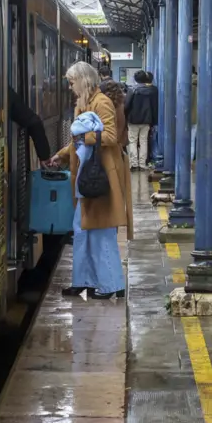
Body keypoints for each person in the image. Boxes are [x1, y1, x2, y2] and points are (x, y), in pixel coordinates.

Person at [47, 61, 128, 299]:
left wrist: (85, 135)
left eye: (72, 82)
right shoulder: (83, 103)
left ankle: (112, 284)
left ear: (83, 80)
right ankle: (84, 280)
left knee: (100, 232)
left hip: (100, 176)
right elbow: (75, 142)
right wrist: (61, 156)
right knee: (82, 230)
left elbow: (111, 136)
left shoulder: (101, 102)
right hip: (87, 176)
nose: (70, 87)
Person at [100, 80, 134, 241]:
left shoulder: (105, 108)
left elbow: (109, 136)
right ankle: (112, 230)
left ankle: (106, 230)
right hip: (119, 155)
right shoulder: (120, 106)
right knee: (116, 197)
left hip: (107, 156)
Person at [124, 70, 158, 170]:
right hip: (147, 120)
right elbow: (154, 106)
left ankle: (134, 164)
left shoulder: (132, 90)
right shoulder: (152, 90)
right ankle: (142, 164)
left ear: (135, 79)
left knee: (133, 141)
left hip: (133, 120)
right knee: (144, 141)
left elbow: (126, 106)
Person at [9, 85, 50, 161]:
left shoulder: (1, 89)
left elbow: (34, 122)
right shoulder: (3, 89)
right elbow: (34, 122)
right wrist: (44, 157)